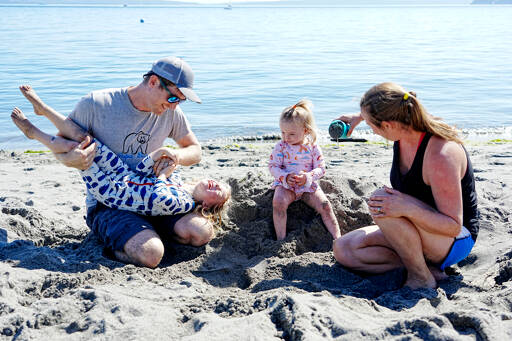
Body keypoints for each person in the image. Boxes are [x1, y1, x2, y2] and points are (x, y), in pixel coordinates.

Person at [14, 57, 213, 268]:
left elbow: (195, 150)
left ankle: (145, 231)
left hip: (153, 195)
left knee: (201, 232)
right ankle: (39, 118)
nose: (174, 107)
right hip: (110, 202)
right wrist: (72, 161)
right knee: (151, 254)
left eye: (180, 102)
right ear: (154, 82)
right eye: (173, 99)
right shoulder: (96, 104)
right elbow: (64, 147)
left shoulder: (171, 114)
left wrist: (176, 155)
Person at [332, 82, 479, 289]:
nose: (372, 131)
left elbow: (453, 225)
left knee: (382, 202)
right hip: (414, 227)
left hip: (453, 239)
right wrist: (357, 118)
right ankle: (427, 268)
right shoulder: (403, 127)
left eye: (372, 126)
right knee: (344, 249)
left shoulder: (440, 156)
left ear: (388, 125)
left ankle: (421, 276)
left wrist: (406, 206)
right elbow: (384, 109)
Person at [10, 104, 231, 218]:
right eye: (218, 182)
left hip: (112, 192)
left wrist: (163, 175)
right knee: (88, 140)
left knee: (78, 150)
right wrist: (156, 155)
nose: (215, 184)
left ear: (208, 205)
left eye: (218, 191)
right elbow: (145, 172)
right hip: (124, 174)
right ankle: (45, 110)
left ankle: (34, 133)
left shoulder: (183, 202)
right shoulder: (180, 181)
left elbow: (158, 196)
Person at [269, 99, 341, 241]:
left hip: (307, 186)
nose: (286, 137)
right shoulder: (281, 146)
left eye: (291, 134)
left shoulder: (313, 146)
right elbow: (273, 166)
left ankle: (337, 237)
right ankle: (280, 239)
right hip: (286, 185)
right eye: (283, 132)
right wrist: (284, 176)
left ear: (306, 130)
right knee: (278, 203)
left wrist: (308, 177)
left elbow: (321, 168)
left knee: (325, 205)